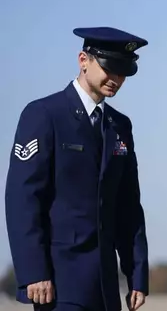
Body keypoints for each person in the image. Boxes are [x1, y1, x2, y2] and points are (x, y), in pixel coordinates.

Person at [4, 27, 150, 311]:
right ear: (84, 60)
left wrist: (137, 275)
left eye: (124, 72)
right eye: (111, 68)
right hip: (59, 283)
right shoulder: (44, 115)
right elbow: (23, 199)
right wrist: (34, 272)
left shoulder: (120, 126)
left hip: (106, 286)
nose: (116, 79)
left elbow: (128, 207)